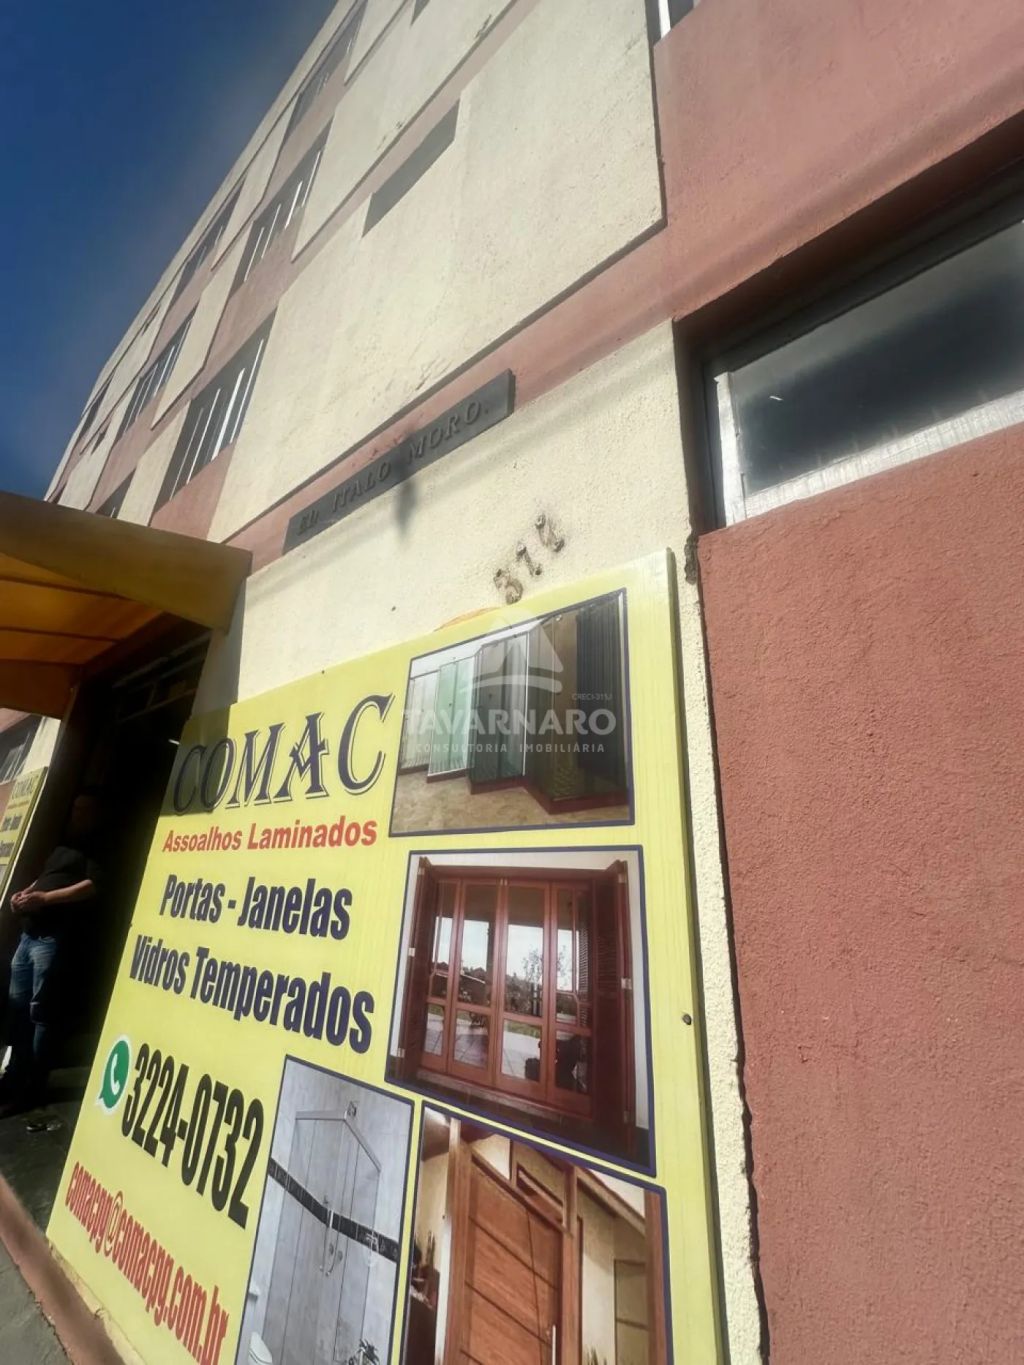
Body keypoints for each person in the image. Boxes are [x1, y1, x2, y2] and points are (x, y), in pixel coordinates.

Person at [0, 792, 101, 1116]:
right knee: (18, 1009)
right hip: (28, 935)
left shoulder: (95, 846)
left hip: (51, 938)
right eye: (76, 807)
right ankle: (12, 1076)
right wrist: (25, 894)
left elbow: (91, 886)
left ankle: (32, 1086)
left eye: (85, 809)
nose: (78, 813)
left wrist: (44, 899)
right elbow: (44, 877)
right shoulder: (63, 843)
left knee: (40, 1012)